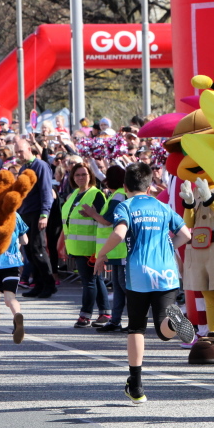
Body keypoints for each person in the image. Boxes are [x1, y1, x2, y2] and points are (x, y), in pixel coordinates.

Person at [94, 162, 194, 404]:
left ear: (125, 186)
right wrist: (169, 247)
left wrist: (102, 254)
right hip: (167, 272)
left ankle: (136, 386)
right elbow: (186, 235)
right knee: (162, 327)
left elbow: (119, 233)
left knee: (136, 327)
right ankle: (174, 322)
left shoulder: (125, 206)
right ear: (149, 186)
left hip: (139, 273)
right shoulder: (162, 207)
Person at [61, 163, 111, 327]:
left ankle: (85, 315)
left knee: (90, 281)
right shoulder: (74, 194)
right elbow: (68, 222)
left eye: (84, 174)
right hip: (76, 246)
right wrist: (63, 244)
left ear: (91, 176)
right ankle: (104, 313)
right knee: (95, 280)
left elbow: (104, 221)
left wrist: (92, 214)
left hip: (91, 246)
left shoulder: (96, 195)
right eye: (77, 175)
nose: (81, 177)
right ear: (73, 178)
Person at [82, 165, 129, 332]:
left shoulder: (118, 196)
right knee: (119, 288)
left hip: (120, 249)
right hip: (116, 250)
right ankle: (115, 321)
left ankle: (134, 320)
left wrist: (92, 213)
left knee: (124, 287)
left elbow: (107, 221)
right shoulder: (117, 195)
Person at [0, 177, 28, 347]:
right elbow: (25, 240)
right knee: (10, 297)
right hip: (12, 262)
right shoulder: (15, 215)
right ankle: (16, 315)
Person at [16, 139, 58, 298]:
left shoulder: (40, 166)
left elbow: (46, 190)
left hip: (37, 212)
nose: (19, 155)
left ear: (29, 149)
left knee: (38, 248)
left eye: (21, 151)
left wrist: (44, 214)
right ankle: (38, 283)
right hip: (25, 213)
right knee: (29, 250)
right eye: (17, 152)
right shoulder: (23, 168)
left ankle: (49, 284)